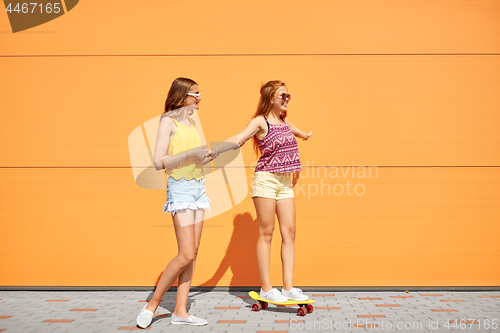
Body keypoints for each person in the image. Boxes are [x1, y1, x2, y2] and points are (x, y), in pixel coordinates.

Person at [136, 78, 224, 328]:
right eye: (196, 93)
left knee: (193, 253)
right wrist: (190, 154)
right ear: (183, 95)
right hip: (181, 189)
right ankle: (152, 305)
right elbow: (158, 161)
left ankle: (181, 312)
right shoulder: (167, 121)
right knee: (185, 253)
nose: (200, 97)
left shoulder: (192, 122)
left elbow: (191, 159)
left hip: (198, 187)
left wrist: (207, 157)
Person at [219, 80, 312, 303]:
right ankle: (267, 289)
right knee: (267, 233)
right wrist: (217, 150)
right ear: (271, 97)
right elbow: (239, 138)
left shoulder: (283, 121)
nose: (286, 99)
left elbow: (296, 133)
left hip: (284, 183)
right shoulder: (260, 122)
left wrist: (305, 136)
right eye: (283, 95)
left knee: (289, 232)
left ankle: (288, 288)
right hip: (266, 181)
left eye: (289, 95)